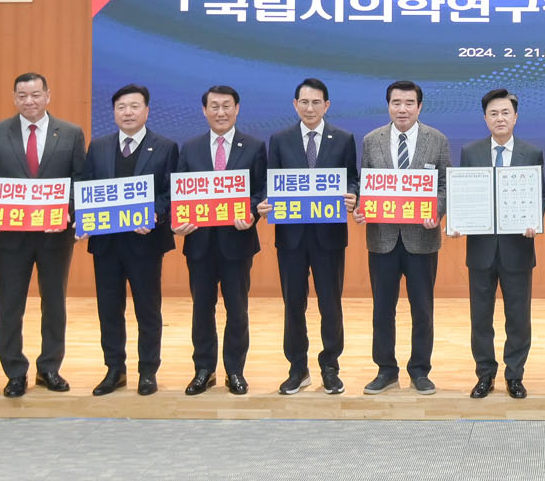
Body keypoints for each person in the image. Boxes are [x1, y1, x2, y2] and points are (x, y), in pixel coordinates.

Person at [0, 72, 86, 398]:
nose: (29, 101)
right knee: (10, 305)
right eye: (22, 95)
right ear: (14, 98)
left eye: (36, 94)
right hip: (10, 236)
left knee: (54, 303)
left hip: (55, 235)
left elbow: (79, 180)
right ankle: (14, 372)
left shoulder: (70, 133)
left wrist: (69, 210)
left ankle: (49, 367)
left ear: (47, 95)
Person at [257, 78, 359, 395]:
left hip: (329, 238)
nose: (310, 108)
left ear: (326, 105)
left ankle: (330, 367)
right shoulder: (280, 139)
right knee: (293, 306)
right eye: (304, 102)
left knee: (331, 305)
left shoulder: (343, 139)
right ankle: (297, 369)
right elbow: (270, 182)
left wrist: (352, 194)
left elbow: (352, 178)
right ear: (295, 104)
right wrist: (265, 201)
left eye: (316, 102)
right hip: (291, 239)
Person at [354, 80, 449, 395]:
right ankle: (386, 370)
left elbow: (445, 185)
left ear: (419, 107)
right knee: (383, 309)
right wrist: (361, 207)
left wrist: (436, 210)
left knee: (422, 309)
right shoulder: (371, 141)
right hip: (382, 239)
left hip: (422, 239)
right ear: (388, 106)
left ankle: (420, 370)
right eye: (396, 103)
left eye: (409, 103)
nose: (403, 109)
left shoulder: (437, 140)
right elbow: (365, 184)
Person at [82, 84, 179, 397]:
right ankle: (115, 369)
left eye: (134, 106)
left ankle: (148, 371)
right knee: (109, 309)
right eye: (121, 107)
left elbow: (170, 193)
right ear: (113, 112)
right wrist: (83, 217)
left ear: (147, 111)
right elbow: (86, 187)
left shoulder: (165, 147)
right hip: (106, 244)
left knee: (148, 310)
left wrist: (154, 215)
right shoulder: (98, 147)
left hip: (145, 243)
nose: (128, 112)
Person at [450, 88, 544, 399]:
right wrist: (457, 221)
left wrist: (535, 219)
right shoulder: (471, 152)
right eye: (493, 113)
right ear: (485, 118)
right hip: (481, 249)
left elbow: (540, 194)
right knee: (481, 317)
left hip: (518, 248)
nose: (500, 118)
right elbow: (463, 193)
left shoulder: (532, 152)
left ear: (516, 117)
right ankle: (485, 375)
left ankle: (514, 375)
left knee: (518, 317)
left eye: (505, 112)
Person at [173, 85, 266, 396]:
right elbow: (178, 193)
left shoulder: (254, 146)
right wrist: (177, 222)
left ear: (237, 109)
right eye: (214, 106)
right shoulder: (190, 148)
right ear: (204, 110)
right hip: (199, 243)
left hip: (237, 242)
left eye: (227, 106)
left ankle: (235, 370)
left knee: (237, 309)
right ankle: (204, 370)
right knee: (202, 308)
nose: (221, 112)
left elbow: (261, 191)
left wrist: (252, 212)